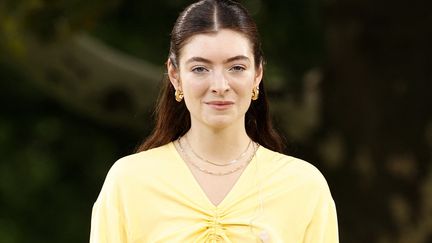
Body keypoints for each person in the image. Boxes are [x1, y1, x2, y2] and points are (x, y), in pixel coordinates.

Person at [90, 0, 339, 242]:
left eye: (237, 68)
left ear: (257, 74)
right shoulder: (129, 181)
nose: (220, 86)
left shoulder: (303, 186)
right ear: (175, 76)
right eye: (200, 68)